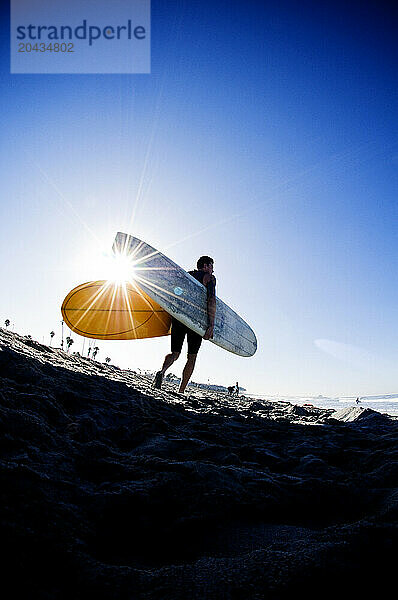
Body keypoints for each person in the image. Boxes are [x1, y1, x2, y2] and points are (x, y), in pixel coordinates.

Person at [153, 255, 216, 394]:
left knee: (175, 353)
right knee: (191, 357)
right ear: (205, 266)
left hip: (179, 318)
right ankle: (181, 390)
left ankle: (162, 372)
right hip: (195, 322)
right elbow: (211, 299)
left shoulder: (186, 276)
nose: (212, 270)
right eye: (211, 266)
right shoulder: (209, 278)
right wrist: (211, 325)